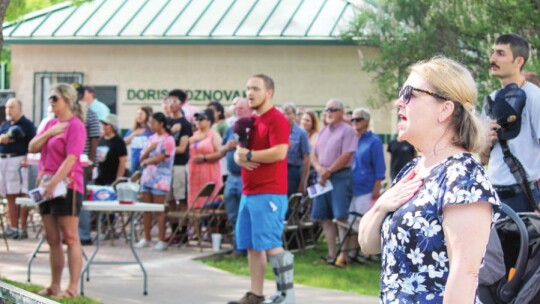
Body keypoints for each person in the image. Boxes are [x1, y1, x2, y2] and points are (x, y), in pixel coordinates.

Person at [358, 56, 501, 303]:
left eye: (409, 94)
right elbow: (368, 245)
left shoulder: (463, 177)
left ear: (445, 109)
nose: (398, 103)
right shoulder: (413, 170)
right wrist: (382, 205)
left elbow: (465, 274)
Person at [229, 74, 294, 304]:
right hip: (249, 192)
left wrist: (249, 155)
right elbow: (239, 153)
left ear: (269, 93)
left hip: (270, 193)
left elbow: (280, 152)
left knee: (270, 244)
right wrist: (241, 158)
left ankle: (287, 296)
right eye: (247, 88)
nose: (250, 93)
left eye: (255, 88)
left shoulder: (276, 119)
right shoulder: (252, 121)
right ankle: (256, 295)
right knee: (251, 246)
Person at [28, 83, 87, 299]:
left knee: (70, 237)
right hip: (46, 184)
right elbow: (32, 147)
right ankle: (54, 285)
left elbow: (72, 158)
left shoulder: (76, 126)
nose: (51, 102)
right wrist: (49, 132)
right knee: (51, 237)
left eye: (55, 98)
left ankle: (71, 288)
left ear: (67, 101)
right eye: (50, 98)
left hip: (67, 185)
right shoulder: (51, 124)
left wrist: (54, 183)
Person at [481, 33, 540, 212]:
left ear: (519, 61)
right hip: (492, 194)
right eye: (493, 53)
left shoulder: (535, 97)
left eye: (500, 53)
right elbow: (483, 158)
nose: (492, 58)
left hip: (524, 196)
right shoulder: (491, 100)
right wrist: (487, 141)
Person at [311, 99, 357, 264]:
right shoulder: (322, 131)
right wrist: (319, 170)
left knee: (340, 217)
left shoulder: (348, 131)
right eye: (327, 109)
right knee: (325, 217)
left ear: (341, 112)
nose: (328, 112)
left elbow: (347, 155)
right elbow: (313, 155)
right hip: (322, 179)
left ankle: (342, 257)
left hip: (339, 177)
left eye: (333, 109)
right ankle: (331, 254)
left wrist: (328, 171)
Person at [339, 108, 386, 266]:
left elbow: (379, 167)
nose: (354, 123)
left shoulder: (374, 141)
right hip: (349, 187)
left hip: (366, 187)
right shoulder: (351, 139)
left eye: (358, 120)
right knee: (350, 222)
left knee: (362, 223)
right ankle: (351, 254)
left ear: (366, 121)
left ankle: (366, 253)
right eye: (352, 120)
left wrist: (376, 188)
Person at [136, 112, 175, 251]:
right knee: (146, 209)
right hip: (147, 178)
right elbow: (140, 158)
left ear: (161, 123)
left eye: (154, 122)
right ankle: (146, 237)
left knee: (159, 210)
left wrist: (148, 160)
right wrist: (149, 150)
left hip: (161, 179)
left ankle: (161, 239)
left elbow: (162, 157)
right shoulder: (151, 138)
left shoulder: (168, 139)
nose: (151, 125)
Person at [0, 98, 36, 240]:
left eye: (12, 107)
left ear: (19, 108)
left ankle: (22, 228)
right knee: (9, 195)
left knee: (21, 195)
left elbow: (33, 143)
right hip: (4, 160)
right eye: (7, 107)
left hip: (19, 161)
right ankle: (12, 226)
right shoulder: (6, 125)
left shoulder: (27, 125)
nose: (8, 110)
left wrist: (28, 157)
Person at [219, 97, 251, 255]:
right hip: (232, 176)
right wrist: (227, 146)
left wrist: (239, 145)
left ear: (250, 109)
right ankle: (238, 246)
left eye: (241, 108)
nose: (237, 111)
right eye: (236, 108)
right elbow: (221, 150)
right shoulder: (230, 128)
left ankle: (244, 248)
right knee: (232, 214)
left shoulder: (255, 127)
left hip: (247, 175)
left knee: (245, 213)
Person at [73, 82, 100, 246]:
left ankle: (84, 234)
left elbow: (95, 139)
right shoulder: (67, 114)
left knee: (81, 199)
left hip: (83, 164)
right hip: (68, 163)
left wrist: (90, 163)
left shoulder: (90, 114)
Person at [164, 90, 192, 243]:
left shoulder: (185, 124)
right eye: (169, 100)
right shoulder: (166, 122)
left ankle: (183, 232)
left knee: (181, 199)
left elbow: (182, 147)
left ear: (181, 104)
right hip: (166, 166)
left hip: (180, 165)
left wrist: (165, 150)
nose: (171, 104)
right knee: (169, 200)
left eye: (174, 101)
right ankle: (173, 231)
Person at [188, 108, 223, 209]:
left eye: (201, 119)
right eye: (197, 119)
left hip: (209, 172)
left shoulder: (214, 135)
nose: (198, 121)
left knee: (209, 200)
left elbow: (220, 153)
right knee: (194, 202)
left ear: (209, 121)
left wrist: (205, 157)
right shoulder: (194, 135)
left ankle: (209, 224)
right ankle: (196, 224)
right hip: (194, 173)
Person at [282, 102, 310, 197]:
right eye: (283, 114)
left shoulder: (301, 133)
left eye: (289, 114)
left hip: (292, 171)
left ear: (294, 115)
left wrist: (303, 181)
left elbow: (306, 158)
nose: (286, 116)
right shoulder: (278, 131)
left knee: (289, 201)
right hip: (278, 170)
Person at [95, 114, 127, 185]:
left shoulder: (118, 141)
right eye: (103, 124)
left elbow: (122, 162)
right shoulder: (101, 139)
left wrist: (118, 179)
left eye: (106, 124)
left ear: (113, 126)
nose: (103, 126)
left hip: (112, 180)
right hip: (100, 178)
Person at [124, 107, 153, 174]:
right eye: (137, 114)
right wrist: (133, 134)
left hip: (146, 160)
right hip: (134, 160)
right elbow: (124, 143)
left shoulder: (151, 131)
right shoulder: (132, 130)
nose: (139, 116)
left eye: (141, 114)